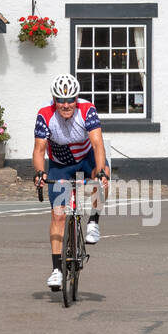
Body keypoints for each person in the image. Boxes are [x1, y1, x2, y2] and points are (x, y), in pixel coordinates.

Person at [33, 73, 110, 291]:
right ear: (54, 99)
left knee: (103, 172)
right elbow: (39, 150)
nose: (66, 105)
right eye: (60, 100)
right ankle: (57, 270)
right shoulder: (44, 114)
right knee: (58, 214)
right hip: (61, 164)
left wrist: (100, 174)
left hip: (86, 158)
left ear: (77, 99)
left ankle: (94, 222)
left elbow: (97, 144)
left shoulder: (88, 110)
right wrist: (39, 173)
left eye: (70, 100)